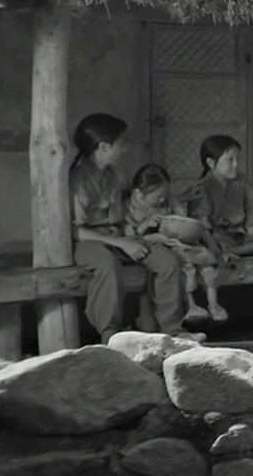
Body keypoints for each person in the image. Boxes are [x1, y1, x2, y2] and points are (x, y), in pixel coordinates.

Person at [68, 113, 202, 345]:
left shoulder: (113, 175)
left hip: (117, 236)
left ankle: (173, 330)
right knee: (107, 265)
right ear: (104, 146)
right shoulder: (78, 179)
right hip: (87, 242)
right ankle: (110, 335)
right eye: (120, 142)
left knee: (168, 261)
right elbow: (74, 230)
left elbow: (133, 204)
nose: (125, 147)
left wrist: (134, 235)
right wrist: (121, 243)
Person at [126, 164, 237, 323]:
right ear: (139, 194)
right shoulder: (128, 208)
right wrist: (145, 225)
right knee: (184, 265)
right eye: (158, 197)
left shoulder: (168, 201)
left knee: (203, 256)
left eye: (164, 195)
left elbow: (183, 218)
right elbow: (129, 238)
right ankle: (190, 306)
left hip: (180, 242)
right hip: (155, 248)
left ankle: (213, 304)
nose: (162, 200)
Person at [188, 135, 253, 257]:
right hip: (218, 237)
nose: (235, 164)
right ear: (211, 163)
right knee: (209, 237)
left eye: (237, 159)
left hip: (243, 233)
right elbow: (202, 224)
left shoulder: (242, 180)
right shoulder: (201, 188)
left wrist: (251, 236)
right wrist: (213, 244)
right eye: (230, 160)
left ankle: (234, 252)